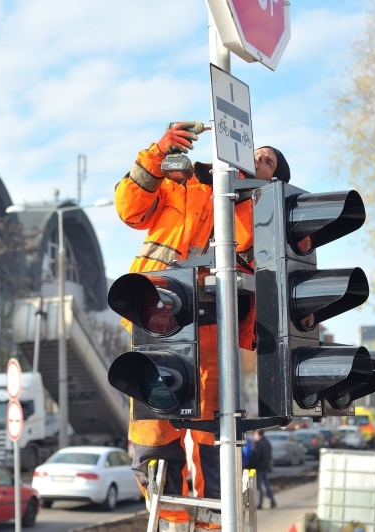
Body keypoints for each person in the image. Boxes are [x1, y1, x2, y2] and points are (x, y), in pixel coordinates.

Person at [115, 121, 290, 530]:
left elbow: (272, 279)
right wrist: (157, 154)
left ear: (274, 180)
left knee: (213, 435)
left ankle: (214, 522)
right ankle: (172, 521)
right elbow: (130, 208)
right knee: (154, 423)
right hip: (157, 314)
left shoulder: (264, 215)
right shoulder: (186, 181)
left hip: (214, 326)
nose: (261, 157)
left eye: (270, 161)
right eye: (260, 151)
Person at [248, 430, 276, 509]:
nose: (254, 436)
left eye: (255, 434)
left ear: (258, 434)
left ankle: (259, 503)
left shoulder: (259, 444)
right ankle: (272, 500)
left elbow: (256, 456)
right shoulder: (267, 442)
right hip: (265, 467)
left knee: (258, 486)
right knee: (266, 484)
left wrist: (251, 465)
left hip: (259, 467)